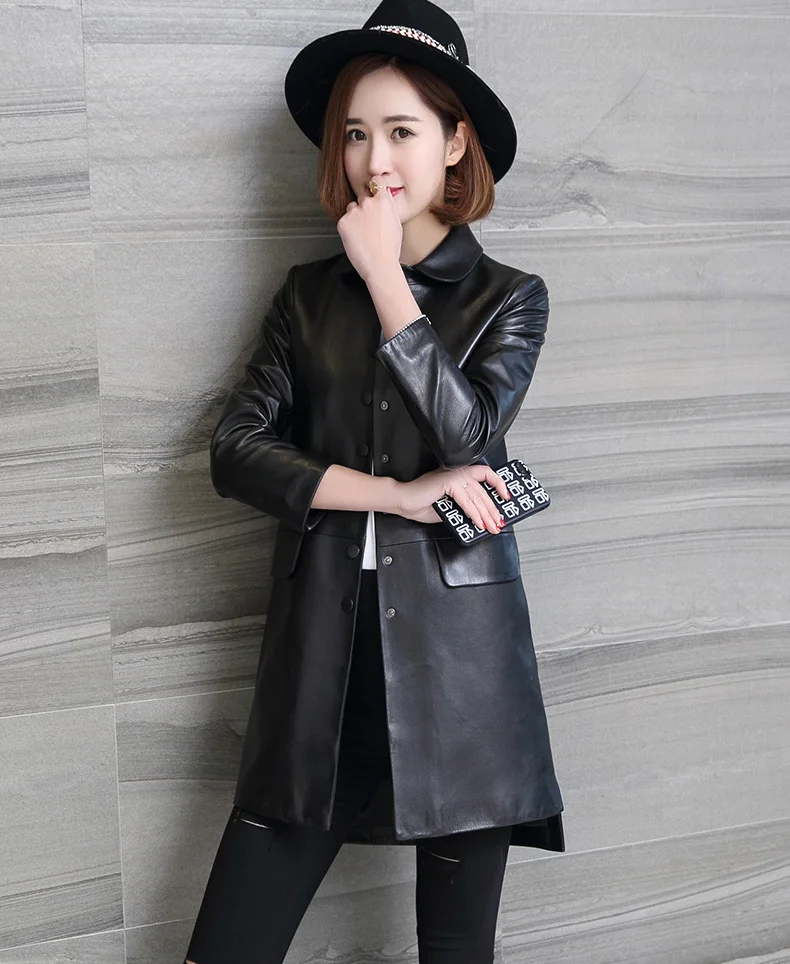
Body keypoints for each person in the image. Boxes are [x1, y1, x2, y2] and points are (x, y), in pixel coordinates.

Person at [184, 1, 565, 961]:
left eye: (401, 131)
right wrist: (394, 496)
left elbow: (469, 434)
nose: (373, 159)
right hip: (320, 656)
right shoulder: (306, 298)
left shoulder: (510, 298)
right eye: (355, 134)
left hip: (463, 678)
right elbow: (235, 451)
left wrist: (389, 283)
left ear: (454, 143)